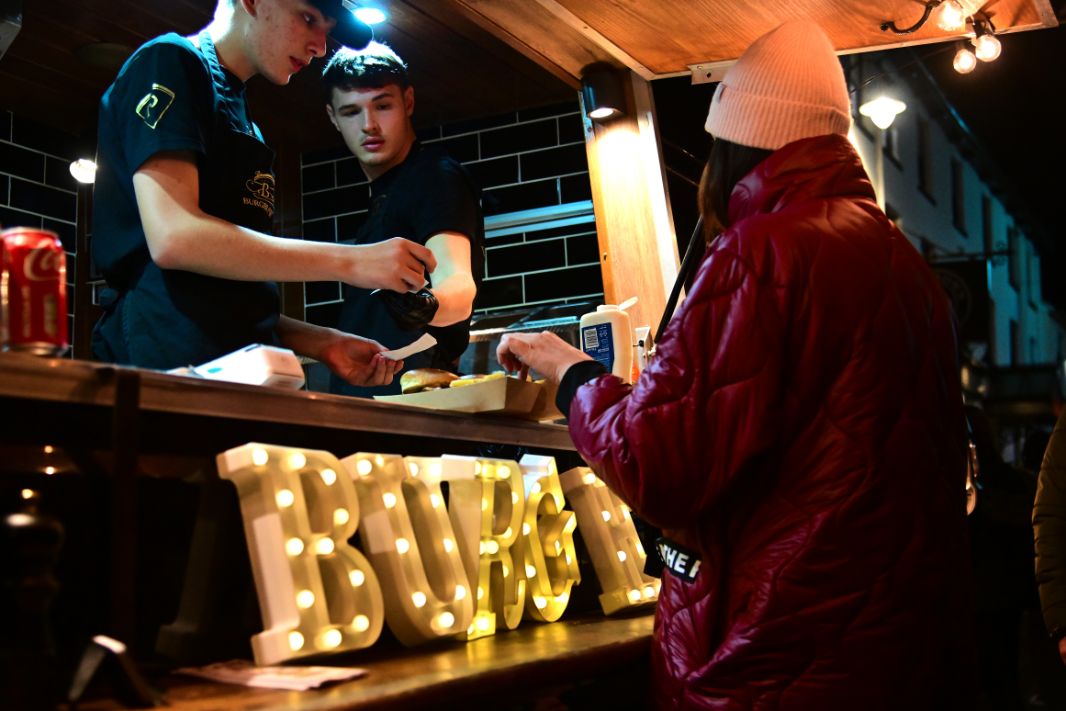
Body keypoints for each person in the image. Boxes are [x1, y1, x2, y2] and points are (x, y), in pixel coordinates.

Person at [497, 20, 973, 708]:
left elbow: (659, 464)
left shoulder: (760, 255)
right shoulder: (908, 267)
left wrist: (571, 372)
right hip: (899, 658)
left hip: (778, 659)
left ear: (732, 143)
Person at [90, 0, 438, 387]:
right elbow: (175, 238)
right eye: (308, 20)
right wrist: (352, 263)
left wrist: (321, 341)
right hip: (165, 355)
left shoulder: (243, 121)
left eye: (327, 29)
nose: (321, 47)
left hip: (239, 362)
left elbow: (223, 287)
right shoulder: (170, 61)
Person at [320, 41, 482, 397]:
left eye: (383, 105)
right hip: (376, 409)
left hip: (413, 409)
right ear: (333, 117)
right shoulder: (384, 195)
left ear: (408, 102)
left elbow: (458, 283)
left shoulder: (434, 178)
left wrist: (427, 306)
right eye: (350, 112)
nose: (369, 125)